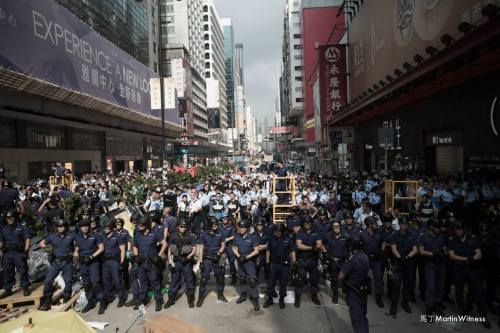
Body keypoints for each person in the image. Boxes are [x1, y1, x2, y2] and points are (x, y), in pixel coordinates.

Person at [448, 220, 491, 328]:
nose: (457, 231)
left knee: (478, 291)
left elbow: (479, 254)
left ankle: (483, 314)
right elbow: (451, 256)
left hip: (473, 269)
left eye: (459, 229)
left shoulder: (473, 238)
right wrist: (467, 259)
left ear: (463, 229)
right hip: (459, 268)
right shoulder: (452, 239)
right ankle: (462, 310)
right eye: (456, 230)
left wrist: (473, 259)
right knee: (459, 291)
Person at [39, 218, 75, 311]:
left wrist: (75, 254)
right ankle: (47, 300)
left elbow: (77, 246)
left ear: (65, 227)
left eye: (62, 226)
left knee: (68, 281)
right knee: (48, 281)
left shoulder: (71, 236)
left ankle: (66, 299)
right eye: (58, 227)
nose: (60, 228)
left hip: (67, 262)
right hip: (56, 262)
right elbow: (41, 243)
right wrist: (46, 247)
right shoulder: (52, 236)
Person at [132, 216, 167, 312]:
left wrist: (159, 255)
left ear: (146, 225)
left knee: (155, 283)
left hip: (152, 264)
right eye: (138, 224)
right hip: (141, 264)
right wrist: (136, 255)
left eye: (140, 225)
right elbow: (135, 246)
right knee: (143, 284)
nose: (138, 226)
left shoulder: (154, 233)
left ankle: (159, 301)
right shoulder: (138, 234)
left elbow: (164, 243)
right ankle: (142, 301)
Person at [387, 217, 417, 318]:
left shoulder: (412, 235)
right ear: (400, 225)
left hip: (409, 262)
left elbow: (415, 249)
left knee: (407, 284)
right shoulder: (395, 235)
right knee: (396, 284)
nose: (405, 226)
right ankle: (393, 306)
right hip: (398, 263)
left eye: (406, 224)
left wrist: (408, 257)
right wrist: (400, 258)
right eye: (403, 224)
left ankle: (405, 303)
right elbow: (393, 248)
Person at [339, 235, 370, 333]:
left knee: (357, 318)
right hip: (363, 290)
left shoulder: (352, 260)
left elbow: (341, 276)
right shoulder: (365, 256)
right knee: (363, 316)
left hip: (353, 291)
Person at [164, 219, 197, 309]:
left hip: (186, 262)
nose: (183, 228)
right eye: (181, 226)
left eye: (185, 226)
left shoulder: (190, 236)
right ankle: (171, 299)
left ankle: (191, 299)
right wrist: (170, 260)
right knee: (174, 280)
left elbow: (194, 248)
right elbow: (170, 248)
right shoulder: (173, 235)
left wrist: (188, 257)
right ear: (178, 227)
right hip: (177, 261)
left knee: (189, 281)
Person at [418, 218, 447, 318]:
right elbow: (421, 251)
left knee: (440, 286)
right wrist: (434, 254)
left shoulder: (441, 236)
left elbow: (444, 248)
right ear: (431, 227)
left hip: (441, 264)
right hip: (430, 264)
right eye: (437, 227)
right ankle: (429, 309)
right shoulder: (423, 236)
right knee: (430, 287)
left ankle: (436, 305)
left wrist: (444, 253)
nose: (439, 229)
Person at [74, 218, 104, 313]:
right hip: (83, 263)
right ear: (80, 227)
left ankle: (102, 302)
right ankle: (90, 302)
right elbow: (76, 250)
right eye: (83, 226)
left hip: (93, 262)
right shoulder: (78, 237)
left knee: (95, 282)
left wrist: (91, 256)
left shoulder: (95, 235)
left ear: (89, 226)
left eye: (86, 226)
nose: (85, 228)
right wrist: (76, 261)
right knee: (86, 283)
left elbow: (101, 248)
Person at [263, 223, 296, 309]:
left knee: (283, 282)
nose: (276, 233)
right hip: (274, 263)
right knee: (271, 282)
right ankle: (269, 299)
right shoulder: (271, 239)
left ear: (282, 232)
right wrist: (267, 263)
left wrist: (294, 262)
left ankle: (281, 299)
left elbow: (292, 251)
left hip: (284, 265)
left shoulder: (288, 239)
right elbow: (268, 251)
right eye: (275, 231)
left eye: (278, 232)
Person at [0, 209, 31, 298]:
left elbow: (27, 239)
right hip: (7, 253)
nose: (11, 219)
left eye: (12, 217)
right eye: (9, 218)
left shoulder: (21, 227)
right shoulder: (4, 229)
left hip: (18, 253)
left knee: (23, 270)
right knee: (7, 271)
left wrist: (26, 250)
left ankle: (25, 287)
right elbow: (1, 241)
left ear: (15, 218)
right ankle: (8, 289)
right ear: (6, 219)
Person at [197, 217, 227, 307]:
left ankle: (220, 294)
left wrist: (218, 253)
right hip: (207, 258)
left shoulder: (220, 233)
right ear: (210, 225)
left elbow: (223, 245)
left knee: (220, 277)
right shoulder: (204, 234)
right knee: (203, 279)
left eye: (216, 225)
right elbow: (201, 247)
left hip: (217, 257)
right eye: (213, 225)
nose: (215, 227)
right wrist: (201, 261)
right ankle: (200, 297)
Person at [294, 215, 322, 307]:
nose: (307, 224)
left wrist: (310, 247)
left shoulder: (316, 233)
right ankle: (297, 297)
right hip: (302, 260)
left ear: (311, 223)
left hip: (313, 260)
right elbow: (299, 246)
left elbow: (319, 245)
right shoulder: (300, 233)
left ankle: (314, 296)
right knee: (300, 279)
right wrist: (311, 247)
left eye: (309, 223)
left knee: (314, 279)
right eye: (305, 223)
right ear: (303, 224)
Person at [233, 219, 260, 311]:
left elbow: (256, 251)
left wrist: (246, 257)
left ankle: (255, 299)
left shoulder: (253, 237)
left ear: (247, 228)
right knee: (242, 279)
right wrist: (239, 256)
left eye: (243, 227)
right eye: (239, 227)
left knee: (252, 280)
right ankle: (243, 295)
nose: (241, 229)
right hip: (240, 261)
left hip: (249, 262)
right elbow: (234, 248)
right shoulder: (237, 237)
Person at [100, 218, 127, 313]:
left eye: (107, 228)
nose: (105, 230)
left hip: (115, 261)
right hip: (105, 261)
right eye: (104, 228)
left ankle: (122, 297)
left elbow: (122, 249)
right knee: (106, 280)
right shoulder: (102, 236)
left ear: (111, 227)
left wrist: (122, 262)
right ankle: (109, 297)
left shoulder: (117, 236)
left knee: (117, 279)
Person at [359, 216, 385, 308]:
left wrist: (382, 251)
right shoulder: (362, 234)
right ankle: (362, 293)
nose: (377, 225)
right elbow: (358, 247)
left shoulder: (379, 233)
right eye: (375, 223)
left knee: (378, 278)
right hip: (366, 259)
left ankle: (378, 296)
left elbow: (383, 242)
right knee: (362, 277)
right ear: (369, 225)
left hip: (377, 260)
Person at [322, 220, 349, 304]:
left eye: (338, 226)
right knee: (334, 279)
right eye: (334, 227)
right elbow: (321, 244)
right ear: (332, 228)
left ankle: (348, 296)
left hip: (343, 261)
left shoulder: (346, 236)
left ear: (340, 227)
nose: (336, 228)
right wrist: (325, 252)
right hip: (332, 261)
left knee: (345, 279)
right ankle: (335, 295)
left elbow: (350, 247)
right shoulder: (328, 236)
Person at [114, 218, 131, 290]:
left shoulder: (125, 232)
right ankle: (119, 286)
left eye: (119, 223)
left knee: (125, 270)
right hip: (116, 254)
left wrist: (129, 251)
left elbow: (129, 241)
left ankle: (127, 285)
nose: (118, 225)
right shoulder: (113, 232)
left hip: (124, 253)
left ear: (122, 224)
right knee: (117, 271)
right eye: (116, 223)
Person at [221, 216, 238, 284]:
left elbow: (234, 236)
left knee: (231, 262)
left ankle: (234, 276)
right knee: (221, 261)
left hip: (229, 246)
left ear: (228, 220)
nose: (224, 220)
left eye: (225, 219)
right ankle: (221, 276)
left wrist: (227, 239)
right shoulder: (219, 227)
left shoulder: (231, 227)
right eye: (223, 219)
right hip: (222, 246)